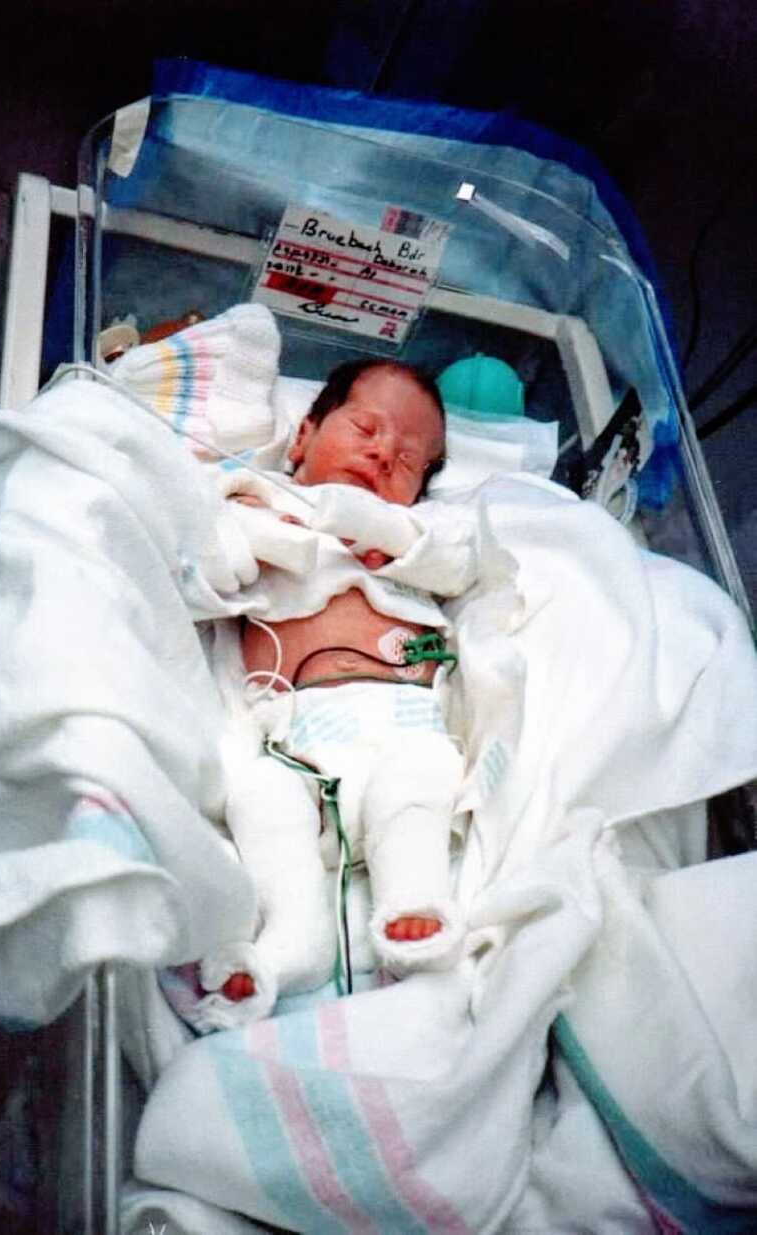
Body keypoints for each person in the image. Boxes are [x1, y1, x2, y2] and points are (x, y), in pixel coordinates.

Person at [194, 359, 477, 1030]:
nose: (383, 452)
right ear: (303, 436)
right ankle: (296, 938)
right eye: (366, 428)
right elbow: (199, 562)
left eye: (408, 459)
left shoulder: (417, 537)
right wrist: (263, 530)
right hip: (295, 737)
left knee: (422, 775)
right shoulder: (255, 497)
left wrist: (384, 530)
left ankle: (414, 898)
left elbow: (464, 559)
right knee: (257, 794)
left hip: (403, 717)